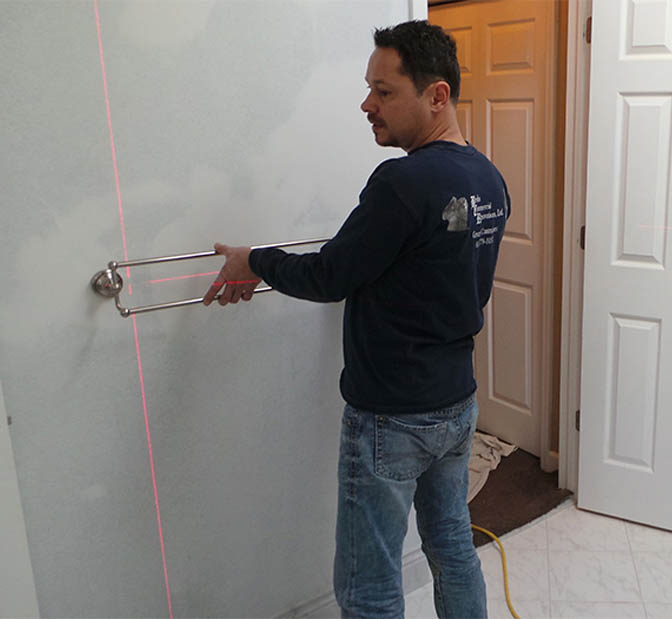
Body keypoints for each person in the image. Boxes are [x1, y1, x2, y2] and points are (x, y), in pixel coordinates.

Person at [203, 20, 509, 618]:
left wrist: (254, 261)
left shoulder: (403, 182)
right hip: (456, 403)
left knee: (369, 585)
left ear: (437, 95)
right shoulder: (487, 179)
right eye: (370, 89)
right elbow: (437, 267)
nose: (367, 104)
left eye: (384, 91)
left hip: (393, 416)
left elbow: (330, 276)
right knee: (452, 545)